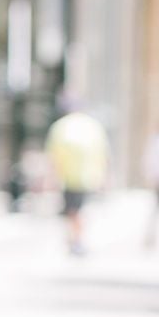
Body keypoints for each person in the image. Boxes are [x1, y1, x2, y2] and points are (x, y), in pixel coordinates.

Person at [45, 102, 110, 254]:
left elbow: (53, 155)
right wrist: (105, 176)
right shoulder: (93, 126)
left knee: (73, 211)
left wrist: (52, 177)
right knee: (77, 211)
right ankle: (76, 239)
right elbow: (104, 153)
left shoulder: (61, 127)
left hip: (69, 177)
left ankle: (76, 240)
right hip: (90, 176)